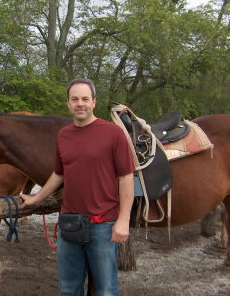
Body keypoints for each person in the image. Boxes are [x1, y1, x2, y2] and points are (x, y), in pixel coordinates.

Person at [20, 78, 135, 296]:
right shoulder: (64, 135)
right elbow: (59, 173)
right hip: (69, 224)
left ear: (94, 102)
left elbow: (126, 178)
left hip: (103, 225)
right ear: (68, 104)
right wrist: (36, 198)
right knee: (68, 289)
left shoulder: (113, 133)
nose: (80, 103)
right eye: (75, 99)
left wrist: (124, 220)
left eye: (84, 99)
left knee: (106, 290)